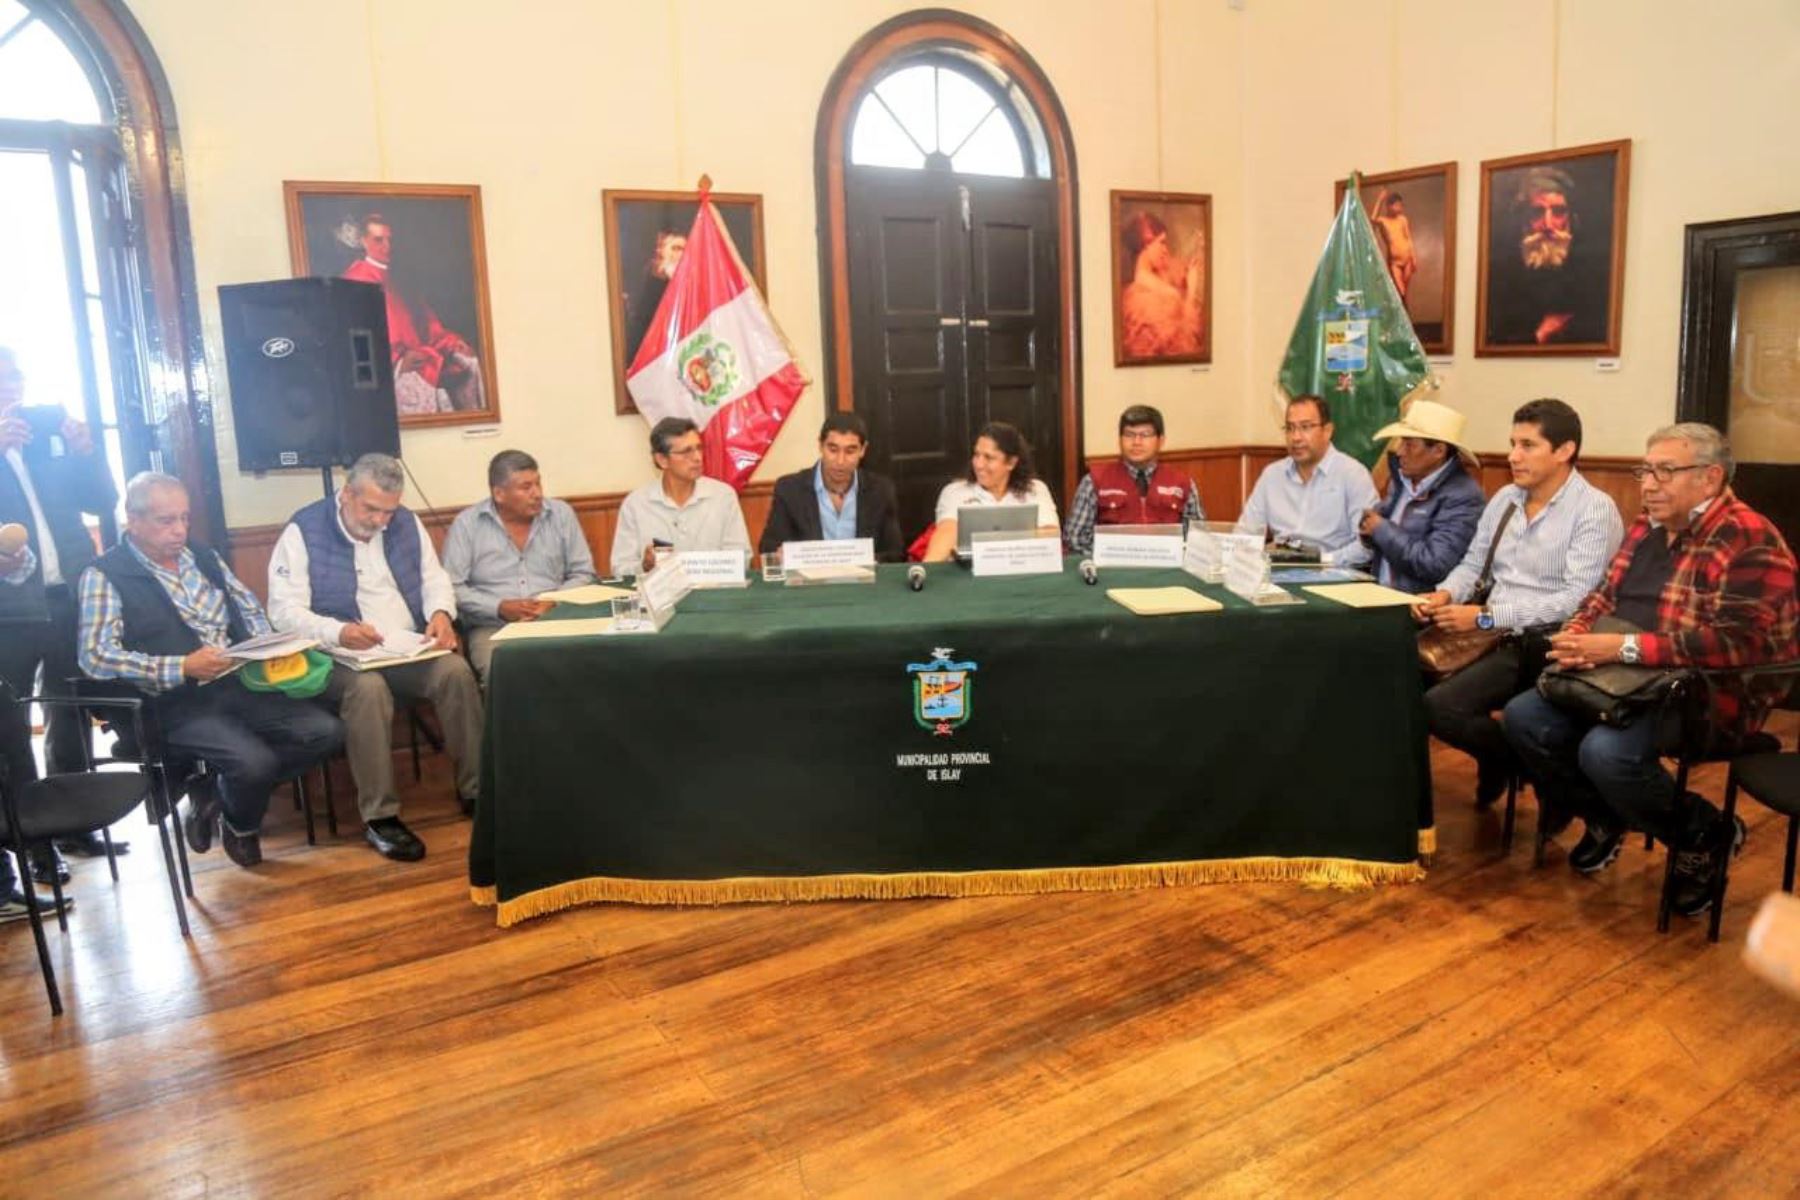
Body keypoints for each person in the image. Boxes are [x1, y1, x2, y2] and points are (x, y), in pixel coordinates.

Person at [1504, 423, 1798, 915]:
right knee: (1524, 718)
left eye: (1665, 471)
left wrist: (1623, 649)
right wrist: (1576, 633)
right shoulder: (1649, 522)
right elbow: (1604, 593)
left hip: (1707, 691)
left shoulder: (1749, 537)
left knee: (1606, 752)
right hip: (1622, 674)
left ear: (1710, 477)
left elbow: (1735, 643)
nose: (1648, 485)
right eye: (1645, 471)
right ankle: (1607, 814)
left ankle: (1704, 834)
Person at [76, 474, 344, 868]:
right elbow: (95, 656)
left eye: (184, 518)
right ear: (133, 521)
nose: (179, 530)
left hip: (236, 683)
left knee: (326, 732)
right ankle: (241, 826)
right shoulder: (104, 575)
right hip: (172, 702)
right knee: (253, 763)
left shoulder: (201, 556)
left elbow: (249, 608)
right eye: (166, 521)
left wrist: (266, 645)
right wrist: (181, 666)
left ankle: (217, 795)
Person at [268, 453, 483, 862]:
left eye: (389, 511)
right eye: (371, 509)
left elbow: (434, 578)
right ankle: (380, 817)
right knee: (368, 690)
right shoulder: (304, 530)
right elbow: (283, 612)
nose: (381, 521)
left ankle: (477, 792)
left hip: (402, 646)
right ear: (347, 494)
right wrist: (338, 631)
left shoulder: (406, 522)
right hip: (336, 655)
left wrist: (440, 614)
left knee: (455, 672)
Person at [1414, 398, 1623, 806]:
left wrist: (1488, 617)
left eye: (1528, 445)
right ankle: (1511, 764)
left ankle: (1533, 775)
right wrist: (1445, 593)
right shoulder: (1506, 498)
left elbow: (1575, 602)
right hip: (1488, 633)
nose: (1513, 456)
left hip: (1541, 642)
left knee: (1442, 707)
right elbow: (1473, 565)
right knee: (1401, 674)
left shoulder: (1594, 510)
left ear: (1564, 451)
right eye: (1513, 444)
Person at [0, 345, 125, 886]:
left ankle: (73, 824)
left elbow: (103, 499)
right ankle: (33, 842)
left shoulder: (46, 436)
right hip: (8, 609)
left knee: (69, 709)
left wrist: (86, 452)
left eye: (15, 377)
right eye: (1, 379)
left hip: (67, 595)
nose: (11, 388)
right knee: (9, 729)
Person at [443, 450, 596, 686]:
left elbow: (583, 572)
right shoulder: (467, 525)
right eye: (526, 487)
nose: (537, 493)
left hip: (557, 619)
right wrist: (499, 607)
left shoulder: (561, 515)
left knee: (587, 664)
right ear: (499, 494)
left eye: (538, 483)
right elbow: (452, 587)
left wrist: (553, 601)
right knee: (503, 669)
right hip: (493, 627)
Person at [341, 212, 485, 416]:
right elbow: (358, 337)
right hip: (388, 368)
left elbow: (426, 322)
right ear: (363, 241)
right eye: (379, 240)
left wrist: (451, 343)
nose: (387, 246)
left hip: (420, 354)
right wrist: (397, 363)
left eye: (390, 240)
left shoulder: (397, 277)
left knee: (469, 363)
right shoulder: (356, 278)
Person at [1357, 398, 1484, 594]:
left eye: (1409, 445)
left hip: (1419, 605)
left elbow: (1435, 564)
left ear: (1438, 451)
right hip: (1379, 594)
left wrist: (1380, 529)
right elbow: (1382, 538)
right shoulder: (1401, 480)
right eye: (1401, 442)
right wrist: (1369, 531)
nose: (1399, 452)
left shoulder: (1463, 496)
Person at [1236, 395, 1380, 567]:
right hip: (1280, 572)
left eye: (1305, 427)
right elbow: (1245, 534)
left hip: (1335, 573)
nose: (1296, 437)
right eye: (1290, 428)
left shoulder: (1353, 475)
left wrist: (1318, 562)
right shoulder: (1272, 476)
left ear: (1327, 431)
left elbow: (1366, 546)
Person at [1484, 166, 1609, 347]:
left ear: (1571, 218)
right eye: (1537, 213)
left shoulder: (1591, 273)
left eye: (1558, 212)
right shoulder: (1503, 273)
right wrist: (1541, 335)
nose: (1549, 225)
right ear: (1524, 220)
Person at [610, 418, 751, 578]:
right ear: (662, 460)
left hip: (714, 590)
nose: (697, 458)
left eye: (699, 448)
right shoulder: (636, 504)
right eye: (686, 452)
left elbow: (742, 559)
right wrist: (644, 566)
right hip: (661, 592)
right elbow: (620, 569)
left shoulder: (723, 496)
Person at [758, 411, 905, 563]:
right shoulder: (790, 490)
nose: (840, 461)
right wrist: (781, 555)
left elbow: (896, 553)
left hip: (862, 577)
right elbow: (768, 548)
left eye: (850, 451)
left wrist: (866, 561)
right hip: (809, 578)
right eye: (833, 450)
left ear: (863, 450)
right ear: (820, 446)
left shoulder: (881, 490)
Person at [1064, 404, 1204, 556]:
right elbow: (1074, 538)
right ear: (1120, 440)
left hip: (1167, 564)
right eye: (1129, 435)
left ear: (1161, 440)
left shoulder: (1182, 483)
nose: (1136, 442)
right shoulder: (1094, 480)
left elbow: (1199, 539)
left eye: (1145, 435)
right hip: (1112, 565)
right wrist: (1115, 554)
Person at [923, 422, 1060, 562]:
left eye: (988, 457)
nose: (979, 464)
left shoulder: (1035, 489)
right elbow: (947, 531)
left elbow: (1050, 536)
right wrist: (928, 567)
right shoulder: (954, 492)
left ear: (1011, 463)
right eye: (976, 455)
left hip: (1021, 566)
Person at [1118, 211, 1204, 359]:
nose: (1166, 250)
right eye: (1162, 242)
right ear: (1146, 243)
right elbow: (1184, 347)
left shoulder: (1155, 280)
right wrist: (1191, 292)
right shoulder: (1142, 297)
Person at [1370, 189, 1418, 306]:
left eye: (1401, 205)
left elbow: (1409, 238)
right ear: (1389, 206)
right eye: (1397, 205)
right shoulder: (1383, 221)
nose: (1400, 208)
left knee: (1404, 291)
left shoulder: (1403, 219)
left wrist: (1414, 257)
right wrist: (1380, 200)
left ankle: (1404, 313)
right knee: (1401, 291)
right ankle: (1403, 312)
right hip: (1395, 262)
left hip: (1407, 259)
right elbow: (1373, 219)